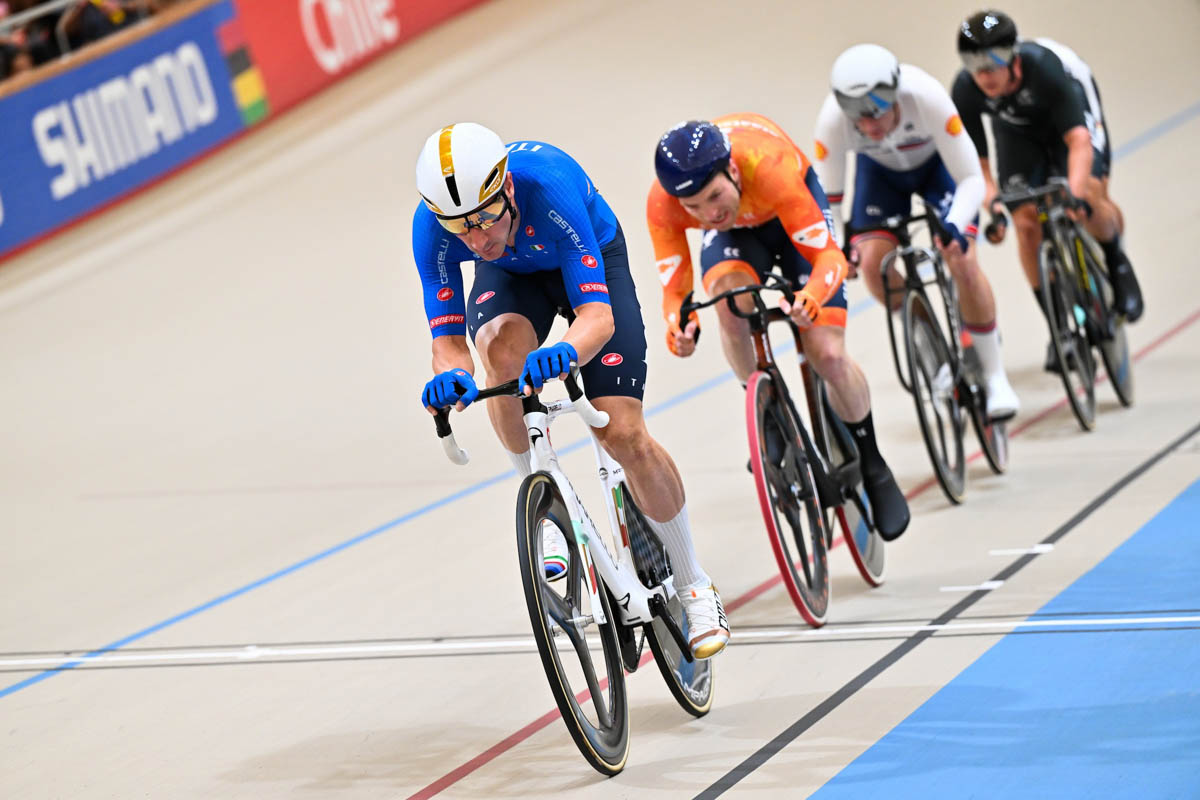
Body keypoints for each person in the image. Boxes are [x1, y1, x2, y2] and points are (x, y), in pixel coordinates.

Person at [413, 122, 729, 659]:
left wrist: (568, 351)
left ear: (507, 190)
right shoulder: (434, 230)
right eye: (460, 230)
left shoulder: (550, 187)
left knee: (623, 432)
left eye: (486, 220)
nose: (477, 240)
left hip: (589, 261)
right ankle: (547, 504)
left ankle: (695, 583)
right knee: (499, 356)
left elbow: (597, 319)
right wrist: (450, 375)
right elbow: (447, 343)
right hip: (512, 278)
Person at [648, 114, 910, 541]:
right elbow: (675, 292)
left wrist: (811, 297)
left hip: (790, 219)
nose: (707, 214)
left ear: (732, 171)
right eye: (692, 209)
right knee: (729, 304)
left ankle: (873, 459)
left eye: (713, 197)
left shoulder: (769, 170)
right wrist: (680, 326)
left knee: (826, 352)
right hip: (740, 236)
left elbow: (831, 259)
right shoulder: (664, 204)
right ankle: (766, 409)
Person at [813, 43, 1019, 420]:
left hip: (937, 169)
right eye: (860, 120)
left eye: (877, 113)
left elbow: (971, 178)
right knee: (874, 267)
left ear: (895, 96)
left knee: (961, 258)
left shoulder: (925, 95)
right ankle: (928, 340)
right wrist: (839, 247)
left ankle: (995, 376)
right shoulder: (832, 120)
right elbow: (830, 200)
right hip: (880, 177)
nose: (870, 126)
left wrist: (955, 225)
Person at [951, 9, 1144, 373]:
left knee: (1086, 195)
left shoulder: (1046, 69)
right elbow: (978, 163)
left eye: (993, 62)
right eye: (973, 64)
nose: (984, 74)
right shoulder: (966, 88)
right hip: (1018, 132)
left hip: (1070, 122)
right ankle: (1060, 329)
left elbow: (1079, 140)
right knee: (1026, 222)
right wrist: (993, 204)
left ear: (1014, 56)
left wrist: (1073, 193)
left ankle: (1115, 259)